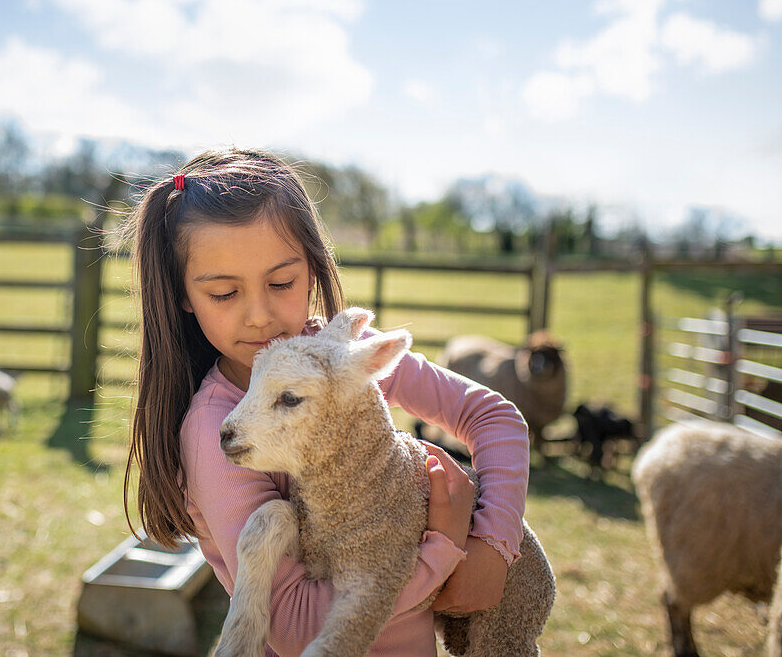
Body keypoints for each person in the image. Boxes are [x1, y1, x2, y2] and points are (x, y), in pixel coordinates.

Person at [124, 148, 531, 657]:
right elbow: (294, 626)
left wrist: (493, 545)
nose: (259, 316)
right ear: (183, 293)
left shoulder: (342, 364)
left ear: (313, 270)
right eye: (224, 293)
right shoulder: (217, 431)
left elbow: (493, 416)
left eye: (281, 283)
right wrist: (442, 551)